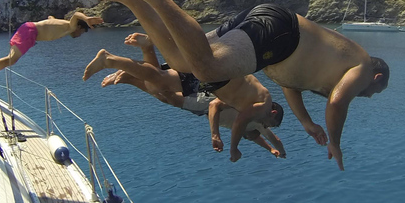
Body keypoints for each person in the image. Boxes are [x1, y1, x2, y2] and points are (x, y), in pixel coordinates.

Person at [86, 0, 390, 170]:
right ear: (377, 79)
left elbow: (290, 83)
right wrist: (336, 141)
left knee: (182, 62)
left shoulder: (325, 67)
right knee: (208, 69)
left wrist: (307, 123)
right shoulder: (362, 66)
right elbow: (337, 103)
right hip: (282, 34)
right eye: (375, 92)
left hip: (274, 32)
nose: (370, 95)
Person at [84, 33, 285, 161]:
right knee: (162, 90)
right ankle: (118, 59)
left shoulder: (256, 115)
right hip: (213, 84)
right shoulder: (258, 112)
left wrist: (274, 151)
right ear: (271, 113)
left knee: (162, 87)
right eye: (270, 123)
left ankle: (134, 64)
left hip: (216, 74)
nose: (267, 126)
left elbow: (263, 138)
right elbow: (221, 108)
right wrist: (224, 142)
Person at [0, 12, 103, 91]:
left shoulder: (64, 25)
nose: (80, 35)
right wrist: (87, 18)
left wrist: (51, 20)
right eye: (82, 31)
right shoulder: (71, 26)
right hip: (30, 32)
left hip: (30, 33)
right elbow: (76, 15)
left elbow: (51, 20)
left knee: (11, 60)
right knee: (11, 59)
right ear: (79, 27)